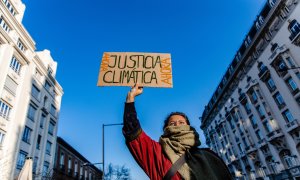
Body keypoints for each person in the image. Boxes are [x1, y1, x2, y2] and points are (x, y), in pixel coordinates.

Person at [123, 84, 232, 180]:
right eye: (172, 124)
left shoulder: (209, 156)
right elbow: (133, 133)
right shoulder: (158, 154)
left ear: (189, 126)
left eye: (181, 122)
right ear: (166, 130)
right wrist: (130, 98)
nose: (177, 125)